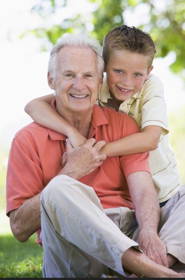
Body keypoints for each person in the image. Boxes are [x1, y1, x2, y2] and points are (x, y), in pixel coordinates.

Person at [6, 33, 185, 278]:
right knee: (59, 188)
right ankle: (158, 274)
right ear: (51, 80)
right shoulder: (27, 140)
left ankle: (150, 268)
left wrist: (149, 231)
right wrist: (72, 171)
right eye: (69, 75)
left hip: (128, 231)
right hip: (75, 251)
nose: (79, 85)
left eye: (88, 75)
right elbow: (18, 229)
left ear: (99, 80)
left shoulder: (124, 125)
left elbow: (143, 188)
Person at [25, 25, 181, 206]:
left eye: (137, 74)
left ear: (149, 71)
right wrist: (72, 133)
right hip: (125, 194)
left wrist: (91, 153)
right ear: (104, 66)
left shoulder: (151, 86)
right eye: (119, 71)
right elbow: (33, 106)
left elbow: (150, 139)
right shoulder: (94, 87)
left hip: (162, 190)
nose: (127, 82)